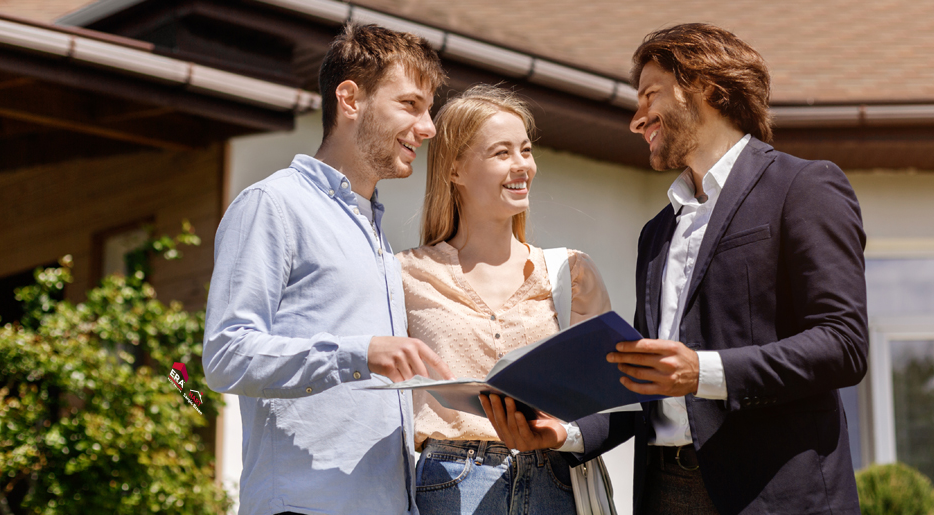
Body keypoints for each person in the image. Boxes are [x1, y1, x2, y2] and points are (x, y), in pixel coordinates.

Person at [595, 23, 868, 514]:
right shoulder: (655, 233)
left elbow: (843, 344)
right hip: (661, 492)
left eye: (650, 96)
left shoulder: (803, 187)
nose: (636, 120)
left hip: (773, 493)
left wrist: (703, 372)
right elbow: (648, 390)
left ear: (709, 89)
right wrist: (566, 434)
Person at [202, 24, 453, 515]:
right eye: (410, 105)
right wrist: (359, 354)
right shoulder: (273, 205)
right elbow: (226, 354)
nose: (429, 128)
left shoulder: (375, 233)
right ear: (350, 99)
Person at [397, 84, 612, 515]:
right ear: (454, 169)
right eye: (502, 153)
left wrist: (559, 431)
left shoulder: (571, 273)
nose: (522, 166)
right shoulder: (405, 274)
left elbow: (611, 400)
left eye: (526, 150)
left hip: (555, 479)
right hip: (449, 483)